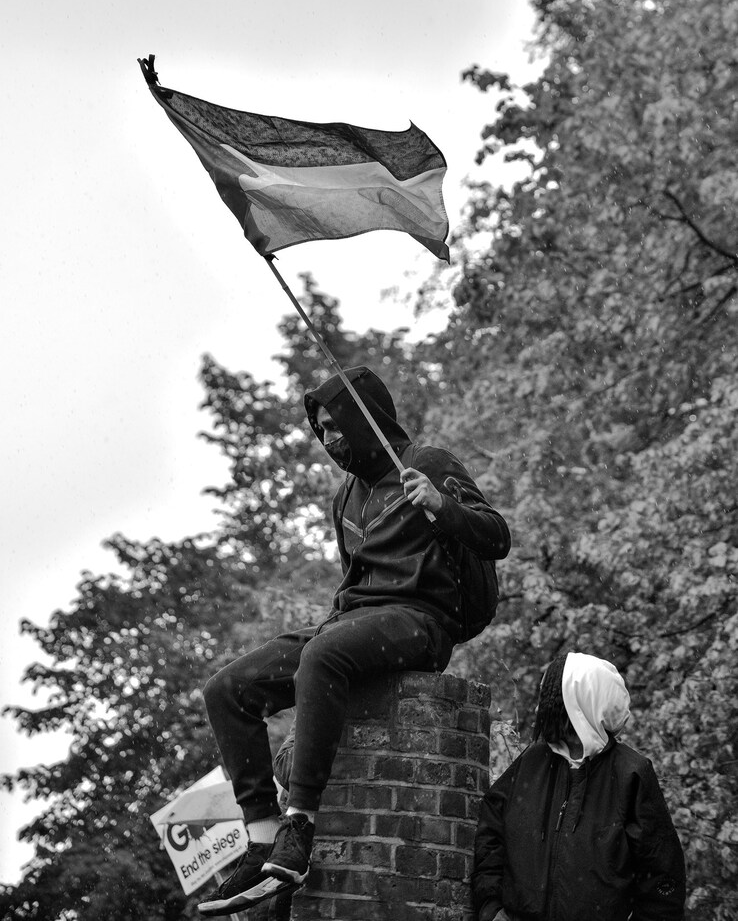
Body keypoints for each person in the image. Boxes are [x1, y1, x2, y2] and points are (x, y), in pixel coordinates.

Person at [197, 365, 511, 916]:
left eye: (336, 426)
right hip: (353, 623)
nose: (330, 440)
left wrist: (442, 506)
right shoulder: (346, 498)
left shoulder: (426, 463)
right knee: (227, 688)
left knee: (324, 654)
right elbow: (354, 583)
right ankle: (265, 834)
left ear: (365, 418)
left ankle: (300, 825)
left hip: (421, 621)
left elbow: (496, 536)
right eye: (320, 432)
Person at [472, 652, 686, 921]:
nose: (541, 708)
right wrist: (491, 907)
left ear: (580, 704)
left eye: (551, 697)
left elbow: (663, 880)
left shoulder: (631, 774)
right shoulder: (532, 762)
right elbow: (490, 833)